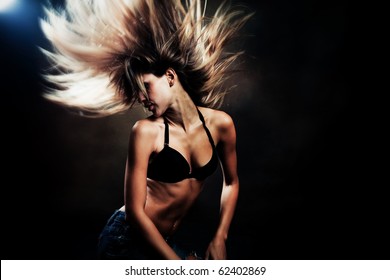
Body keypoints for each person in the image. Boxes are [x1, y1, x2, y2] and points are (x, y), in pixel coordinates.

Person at [39, 0, 252, 260]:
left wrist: (220, 237)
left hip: (161, 242)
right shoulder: (145, 131)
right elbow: (135, 214)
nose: (141, 98)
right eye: (137, 92)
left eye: (146, 86)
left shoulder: (220, 124)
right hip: (125, 240)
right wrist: (178, 267)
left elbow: (232, 182)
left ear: (170, 77)